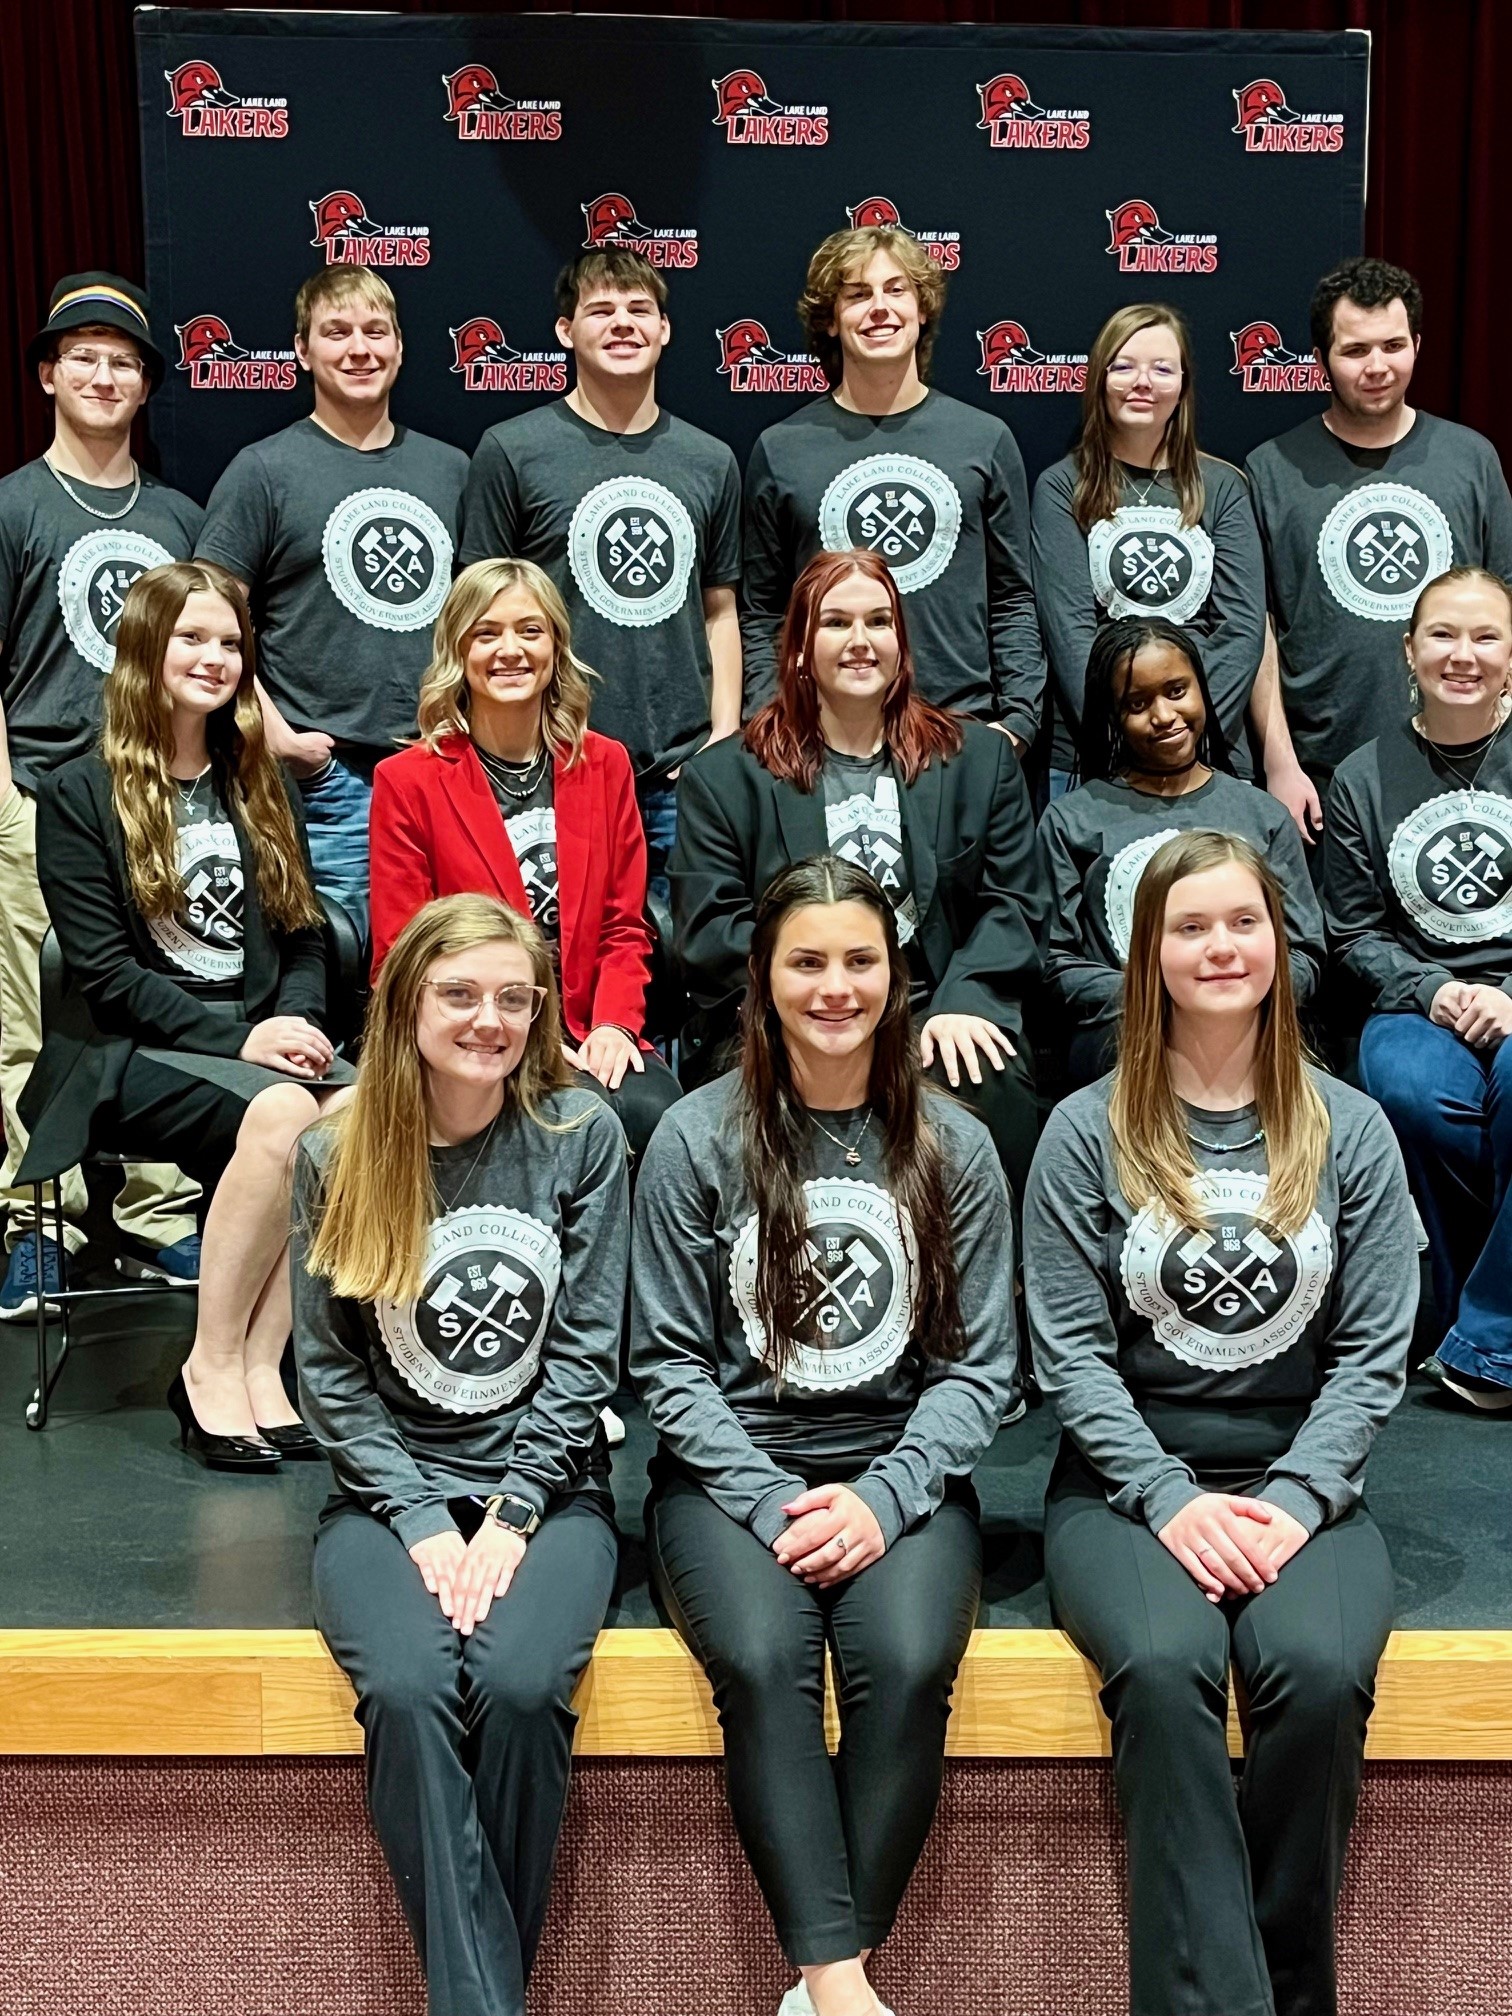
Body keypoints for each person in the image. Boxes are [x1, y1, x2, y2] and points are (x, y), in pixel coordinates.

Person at [1024, 829, 1414, 2016]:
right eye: (1190, 927)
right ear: (1147, 954)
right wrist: (1169, 1499)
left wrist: (1295, 1500)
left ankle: (1286, 1993)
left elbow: (1372, 1354)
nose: (1220, 947)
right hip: (1125, 1486)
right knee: (1159, 1664)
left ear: (1280, 942)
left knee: (1320, 1664)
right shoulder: (1083, 1130)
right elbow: (1070, 1357)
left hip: (1305, 1478)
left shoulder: (1351, 1128)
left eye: (1242, 922)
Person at [632, 855, 1018, 2016]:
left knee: (903, 1666)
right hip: (726, 1478)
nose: (835, 986)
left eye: (861, 961)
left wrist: (882, 1498)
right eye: (808, 961)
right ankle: (845, 1991)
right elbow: (666, 1364)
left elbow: (980, 1369)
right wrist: (770, 1502)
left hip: (898, 1470)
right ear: (764, 977)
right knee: (760, 1661)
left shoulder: (955, 1145)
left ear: (898, 979)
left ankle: (821, 1983)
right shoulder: (695, 1139)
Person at [293, 892, 627, 2016]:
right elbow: (330, 1375)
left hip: (552, 1492)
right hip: (387, 1502)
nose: (489, 1019)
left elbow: (586, 1359)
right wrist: (426, 1519)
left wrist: (518, 1511)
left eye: (514, 998)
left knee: (524, 1686)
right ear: (405, 1002)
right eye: (460, 994)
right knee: (407, 1684)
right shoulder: (334, 1150)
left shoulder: (581, 1140)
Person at [19, 561, 350, 1467]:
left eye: (231, 643)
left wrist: (304, 1025)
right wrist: (246, 1040)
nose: (214, 658)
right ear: (144, 649)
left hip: (252, 1045)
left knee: (361, 1111)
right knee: (283, 1111)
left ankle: (261, 1361)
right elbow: (104, 973)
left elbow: (308, 936)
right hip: (127, 1052)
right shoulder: (78, 792)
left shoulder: (257, 779)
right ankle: (209, 1366)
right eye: (192, 638)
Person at [673, 548, 1046, 1204]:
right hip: (786, 1016)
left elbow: (1014, 903)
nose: (860, 641)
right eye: (836, 622)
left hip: (932, 1007)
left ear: (901, 641)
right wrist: (821, 1001)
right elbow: (709, 929)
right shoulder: (725, 777)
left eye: (879, 622)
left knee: (990, 1077)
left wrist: (962, 1003)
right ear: (797, 647)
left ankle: (995, 1286)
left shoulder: (979, 759)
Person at [0, 271, 204, 1318]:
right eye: (82, 356)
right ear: (48, 374)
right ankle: (40, 1219)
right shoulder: (13, 506)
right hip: (39, 795)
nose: (102, 373)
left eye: (122, 361)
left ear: (143, 386)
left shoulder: (178, 514)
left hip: (162, 805)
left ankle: (163, 1211)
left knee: (169, 1000)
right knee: (38, 1018)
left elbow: (212, 658)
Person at [369, 557, 681, 1164]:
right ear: (458, 650)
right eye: (486, 633)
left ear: (556, 648)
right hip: (475, 1033)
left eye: (530, 631)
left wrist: (616, 1026)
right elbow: (401, 955)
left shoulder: (605, 763)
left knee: (656, 1117)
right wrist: (518, 1036)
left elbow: (624, 926)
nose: (510, 650)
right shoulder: (407, 781)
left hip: (592, 1030)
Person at [459, 249, 742, 902]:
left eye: (640, 309)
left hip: (681, 774)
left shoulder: (711, 461)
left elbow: (721, 610)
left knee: (686, 971)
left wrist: (723, 737)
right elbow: (477, 617)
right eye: (601, 310)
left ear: (665, 329)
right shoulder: (512, 451)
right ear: (565, 331)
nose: (623, 324)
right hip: (554, 765)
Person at [196, 269, 469, 931]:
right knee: (342, 966)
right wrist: (280, 738)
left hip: (446, 769)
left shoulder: (453, 470)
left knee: (447, 965)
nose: (359, 349)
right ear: (302, 350)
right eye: (336, 332)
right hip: (332, 784)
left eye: (376, 332)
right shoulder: (265, 470)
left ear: (401, 347)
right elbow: (206, 617)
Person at [741, 225, 1044, 752]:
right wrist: (771, 718)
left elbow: (1013, 596)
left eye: (896, 290)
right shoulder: (781, 448)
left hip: (963, 729)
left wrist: (1018, 721)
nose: (879, 308)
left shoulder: (985, 439)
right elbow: (763, 609)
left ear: (922, 309)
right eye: (858, 295)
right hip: (823, 737)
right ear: (831, 321)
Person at [1246, 256, 1512, 847]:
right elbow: (1258, 629)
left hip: (1471, 767)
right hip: (1320, 776)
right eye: (1355, 350)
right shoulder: (1270, 470)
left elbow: (1506, 605)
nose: (1377, 367)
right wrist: (1279, 763)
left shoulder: (1471, 459)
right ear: (1320, 360)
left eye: (1393, 346)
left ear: (1417, 344)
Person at [1327, 565, 1512, 1411]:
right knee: (1412, 1094)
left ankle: (1484, 1343)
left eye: (1485, 636)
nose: (1462, 655)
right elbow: (1352, 932)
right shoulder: (1363, 775)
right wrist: (1435, 990)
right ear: (1408, 650)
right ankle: (1442, 1318)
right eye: (1442, 635)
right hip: (1415, 1000)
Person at [1040, 617, 1322, 1087]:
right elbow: (1053, 961)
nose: (1164, 715)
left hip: (1253, 1026)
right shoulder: (1073, 820)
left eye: (1176, 691)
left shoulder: (1262, 815)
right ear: (1113, 715)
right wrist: (1164, 995)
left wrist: (1228, 997)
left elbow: (1306, 953)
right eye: (1137, 703)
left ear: (1201, 690)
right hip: (1122, 1036)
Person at [1032, 302, 1265, 790]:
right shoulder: (1062, 486)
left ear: (1182, 386)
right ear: (1099, 379)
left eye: (1162, 368)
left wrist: (1184, 732)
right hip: (1093, 754)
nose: (1143, 382)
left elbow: (1241, 630)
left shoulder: (1222, 486)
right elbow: (1071, 634)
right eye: (1124, 366)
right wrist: (1128, 733)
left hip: (1211, 753)